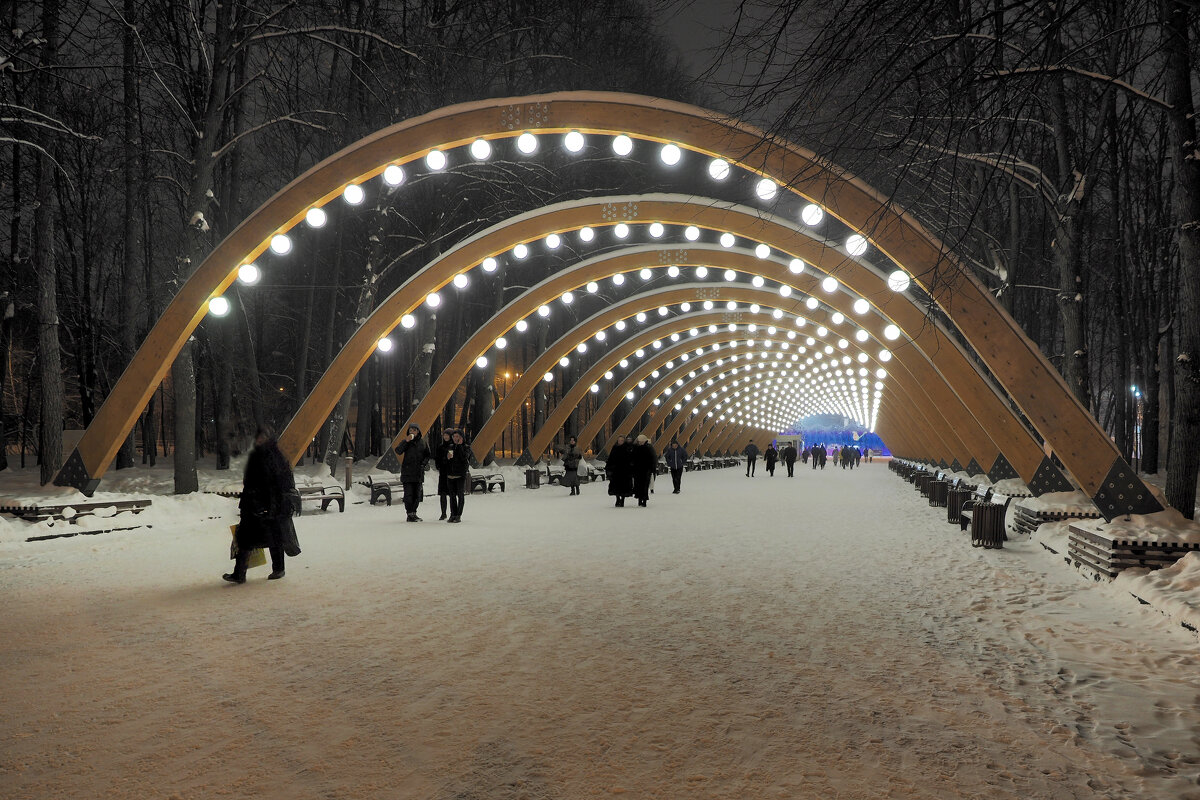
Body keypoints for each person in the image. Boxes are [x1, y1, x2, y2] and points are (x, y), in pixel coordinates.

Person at [224, 426, 300, 584]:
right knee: (244, 538)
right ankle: (239, 574)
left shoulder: (276, 457)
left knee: (274, 538)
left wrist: (274, 504)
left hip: (270, 506)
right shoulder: (255, 456)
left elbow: (282, 483)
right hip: (251, 505)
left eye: (263, 437)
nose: (259, 440)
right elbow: (249, 480)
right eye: (258, 437)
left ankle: (278, 569)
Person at [394, 423, 430, 521]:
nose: (412, 432)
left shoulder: (423, 442)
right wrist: (406, 441)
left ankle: (414, 512)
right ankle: (409, 513)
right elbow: (398, 450)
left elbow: (428, 455)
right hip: (407, 472)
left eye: (414, 430)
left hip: (418, 473)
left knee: (417, 495)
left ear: (418, 431)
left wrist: (423, 464)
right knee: (408, 494)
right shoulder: (406, 442)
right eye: (410, 430)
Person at [443, 429, 469, 523]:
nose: (455, 438)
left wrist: (460, 446)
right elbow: (445, 462)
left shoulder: (466, 447)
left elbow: (464, 458)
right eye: (454, 437)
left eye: (457, 436)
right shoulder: (450, 447)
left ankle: (458, 514)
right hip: (450, 475)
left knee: (460, 495)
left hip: (460, 475)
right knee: (452, 496)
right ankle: (453, 514)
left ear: (461, 437)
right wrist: (447, 458)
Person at [607, 434, 635, 507]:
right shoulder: (615, 448)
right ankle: (617, 498)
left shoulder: (627, 448)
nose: (620, 441)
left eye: (622, 440)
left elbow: (630, 459)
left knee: (624, 486)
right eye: (619, 440)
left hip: (624, 471)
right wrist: (609, 468)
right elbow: (610, 458)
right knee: (615, 485)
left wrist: (630, 467)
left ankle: (622, 499)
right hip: (615, 471)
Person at [631, 434, 657, 507]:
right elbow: (633, 458)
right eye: (639, 441)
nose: (640, 442)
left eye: (642, 441)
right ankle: (640, 499)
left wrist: (652, 469)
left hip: (646, 470)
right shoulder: (636, 448)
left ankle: (644, 500)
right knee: (638, 485)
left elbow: (653, 459)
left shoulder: (648, 448)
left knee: (645, 485)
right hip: (638, 470)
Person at [435, 428, 453, 520]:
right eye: (444, 435)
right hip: (442, 473)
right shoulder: (440, 447)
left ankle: (452, 512)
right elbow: (437, 458)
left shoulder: (453, 446)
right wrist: (439, 465)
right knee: (443, 494)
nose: (445, 437)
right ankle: (443, 513)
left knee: (451, 493)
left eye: (447, 435)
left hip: (451, 472)